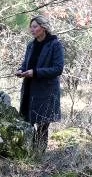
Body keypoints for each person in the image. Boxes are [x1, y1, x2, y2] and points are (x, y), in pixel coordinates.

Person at [15, 15, 64, 154]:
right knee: (27, 121)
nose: (32, 29)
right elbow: (26, 64)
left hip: (46, 91)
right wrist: (21, 70)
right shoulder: (31, 45)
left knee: (43, 125)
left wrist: (36, 72)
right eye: (31, 27)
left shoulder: (55, 44)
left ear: (43, 28)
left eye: (35, 26)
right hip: (29, 88)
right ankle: (28, 152)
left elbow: (58, 69)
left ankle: (39, 155)